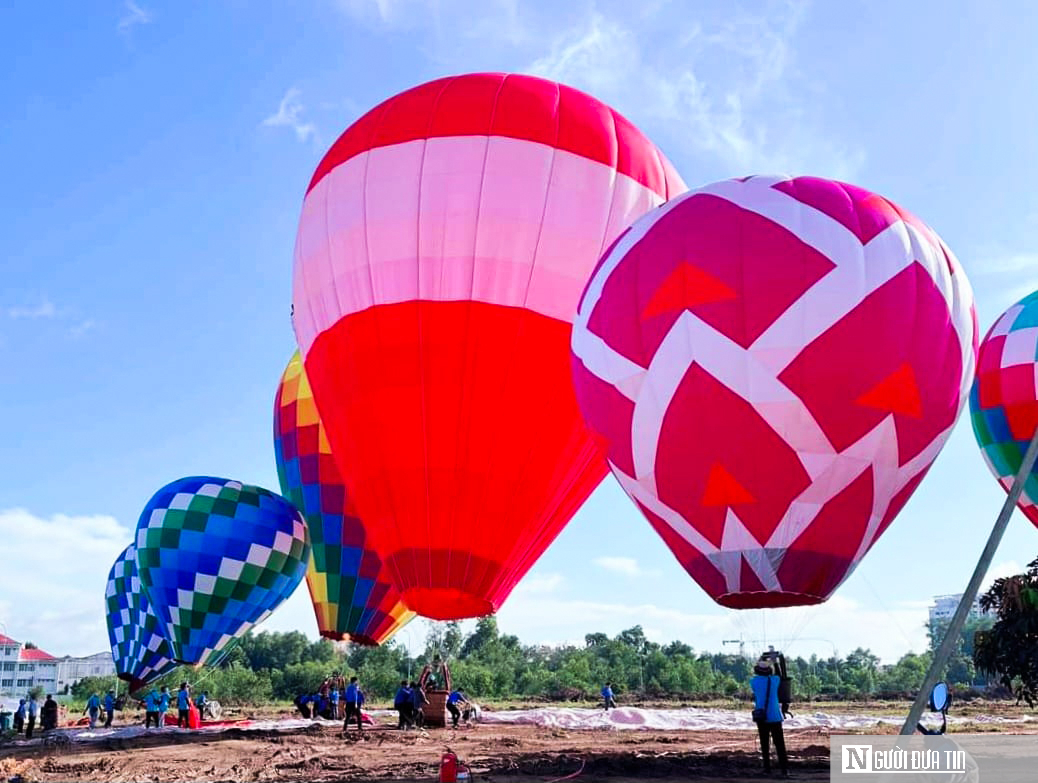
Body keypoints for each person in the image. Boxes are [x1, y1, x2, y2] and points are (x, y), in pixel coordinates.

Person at [751, 657, 789, 778]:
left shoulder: (753, 681)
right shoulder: (775, 680)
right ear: (769, 670)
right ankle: (784, 770)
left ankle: (767, 768)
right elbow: (780, 675)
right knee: (780, 744)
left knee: (764, 743)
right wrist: (775, 662)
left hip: (761, 716)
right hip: (775, 716)